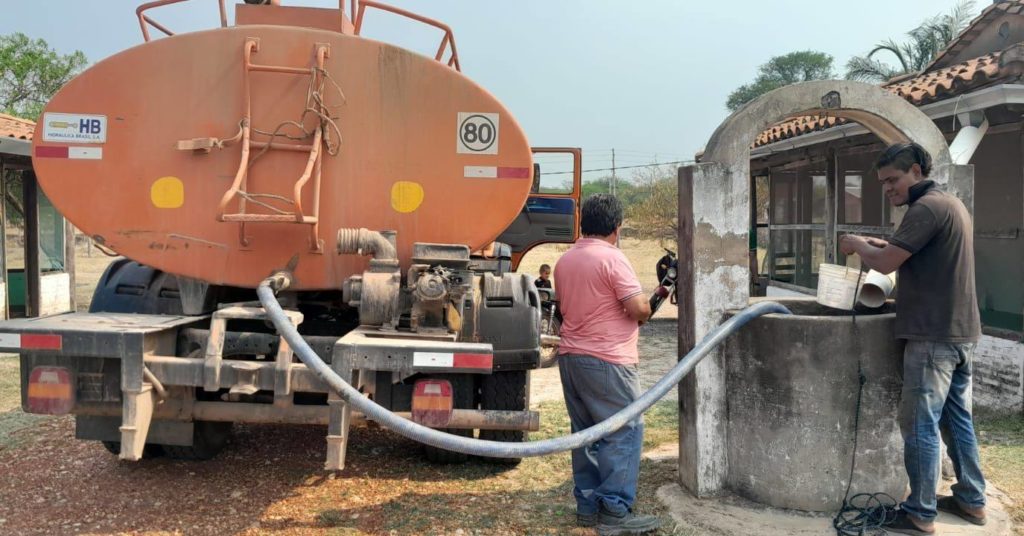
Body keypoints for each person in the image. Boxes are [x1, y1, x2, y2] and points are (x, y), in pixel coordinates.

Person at [840, 142, 986, 535]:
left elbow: (888, 262)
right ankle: (972, 500)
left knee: (920, 424)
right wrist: (876, 245)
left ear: (917, 171)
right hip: (959, 332)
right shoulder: (948, 204)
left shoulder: (925, 208)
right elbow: (904, 251)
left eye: (893, 179)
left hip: (932, 335)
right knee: (956, 421)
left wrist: (856, 246)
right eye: (883, 182)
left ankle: (920, 511)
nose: (888, 188)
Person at [554, 194, 659, 536]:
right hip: (608, 359)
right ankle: (614, 512)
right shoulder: (613, 259)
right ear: (617, 227)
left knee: (585, 433)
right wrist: (653, 296)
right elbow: (639, 310)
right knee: (624, 431)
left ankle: (587, 506)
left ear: (584, 223)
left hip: (571, 357)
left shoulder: (565, 260)